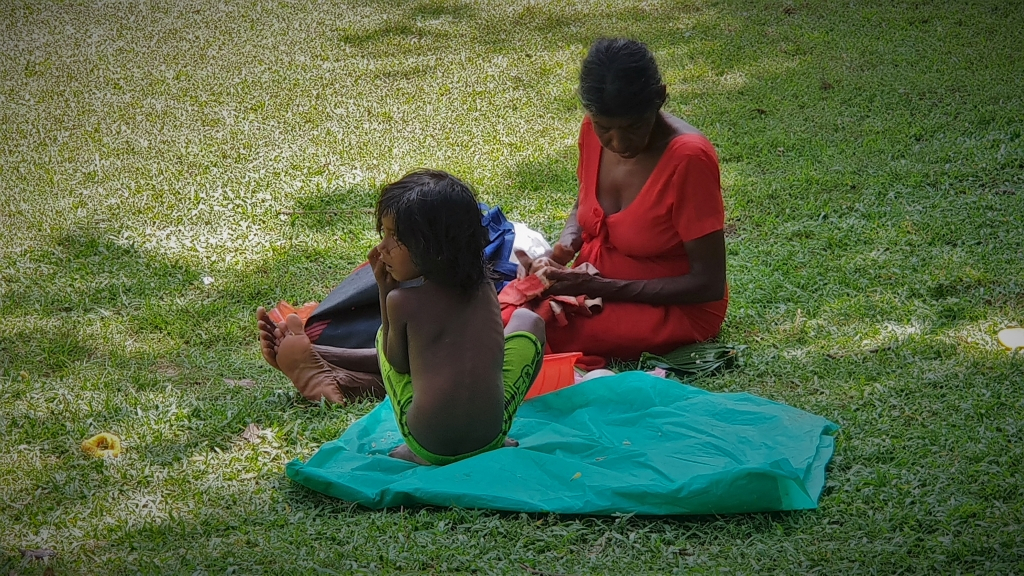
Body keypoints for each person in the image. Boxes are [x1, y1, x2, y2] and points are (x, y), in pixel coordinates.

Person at [261, 170, 546, 465]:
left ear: (433, 245)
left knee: (384, 336)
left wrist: (386, 290)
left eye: (394, 237)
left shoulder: (402, 301)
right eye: (383, 234)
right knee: (529, 321)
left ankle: (400, 437)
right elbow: (490, 356)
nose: (381, 248)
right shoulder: (485, 285)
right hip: (490, 434)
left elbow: (397, 364)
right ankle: (331, 366)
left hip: (429, 443)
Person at [517, 38, 728, 361]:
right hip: (596, 283)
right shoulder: (590, 128)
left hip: (674, 309)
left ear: (660, 98)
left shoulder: (688, 159)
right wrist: (560, 252)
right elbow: (585, 204)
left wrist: (600, 287)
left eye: (633, 127)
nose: (617, 142)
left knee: (527, 327)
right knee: (506, 302)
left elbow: (708, 284)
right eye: (605, 128)